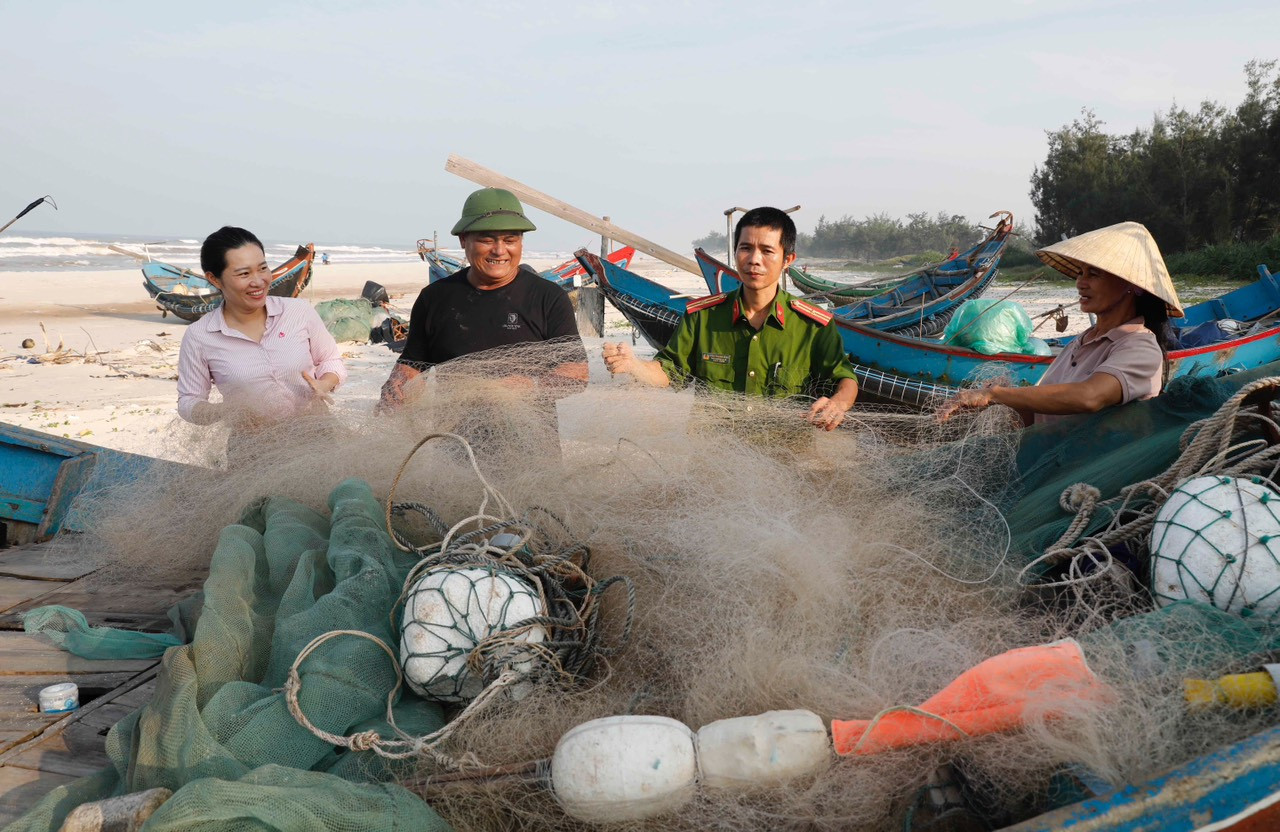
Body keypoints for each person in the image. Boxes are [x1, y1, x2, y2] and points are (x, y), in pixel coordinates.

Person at [602, 207, 858, 431]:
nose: (754, 260)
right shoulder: (702, 317)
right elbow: (670, 372)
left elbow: (845, 379)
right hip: (713, 464)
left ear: (787, 260)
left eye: (767, 251)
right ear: (735, 253)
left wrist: (839, 403)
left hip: (785, 466)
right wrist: (634, 365)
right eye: (745, 248)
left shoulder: (813, 326)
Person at [937, 221, 1183, 426]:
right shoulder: (1082, 341)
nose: (1081, 283)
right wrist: (1007, 400)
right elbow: (1042, 418)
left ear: (1134, 286)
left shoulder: (1140, 347)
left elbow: (1090, 397)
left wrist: (994, 395)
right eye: (1080, 273)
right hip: (1047, 458)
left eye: (1094, 274)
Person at [379, 188, 586, 408]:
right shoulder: (434, 297)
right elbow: (413, 364)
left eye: (510, 240)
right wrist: (398, 383)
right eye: (487, 240)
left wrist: (533, 385)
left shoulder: (548, 297)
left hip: (529, 440)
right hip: (452, 438)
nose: (499, 251)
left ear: (521, 242)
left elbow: (578, 375)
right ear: (463, 239)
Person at [177, 226, 346, 428]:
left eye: (263, 268)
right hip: (253, 449)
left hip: (318, 433)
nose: (258, 281)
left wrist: (324, 383)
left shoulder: (299, 311)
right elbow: (188, 400)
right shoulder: (199, 336)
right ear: (214, 279)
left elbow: (330, 359)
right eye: (244, 274)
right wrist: (221, 411)